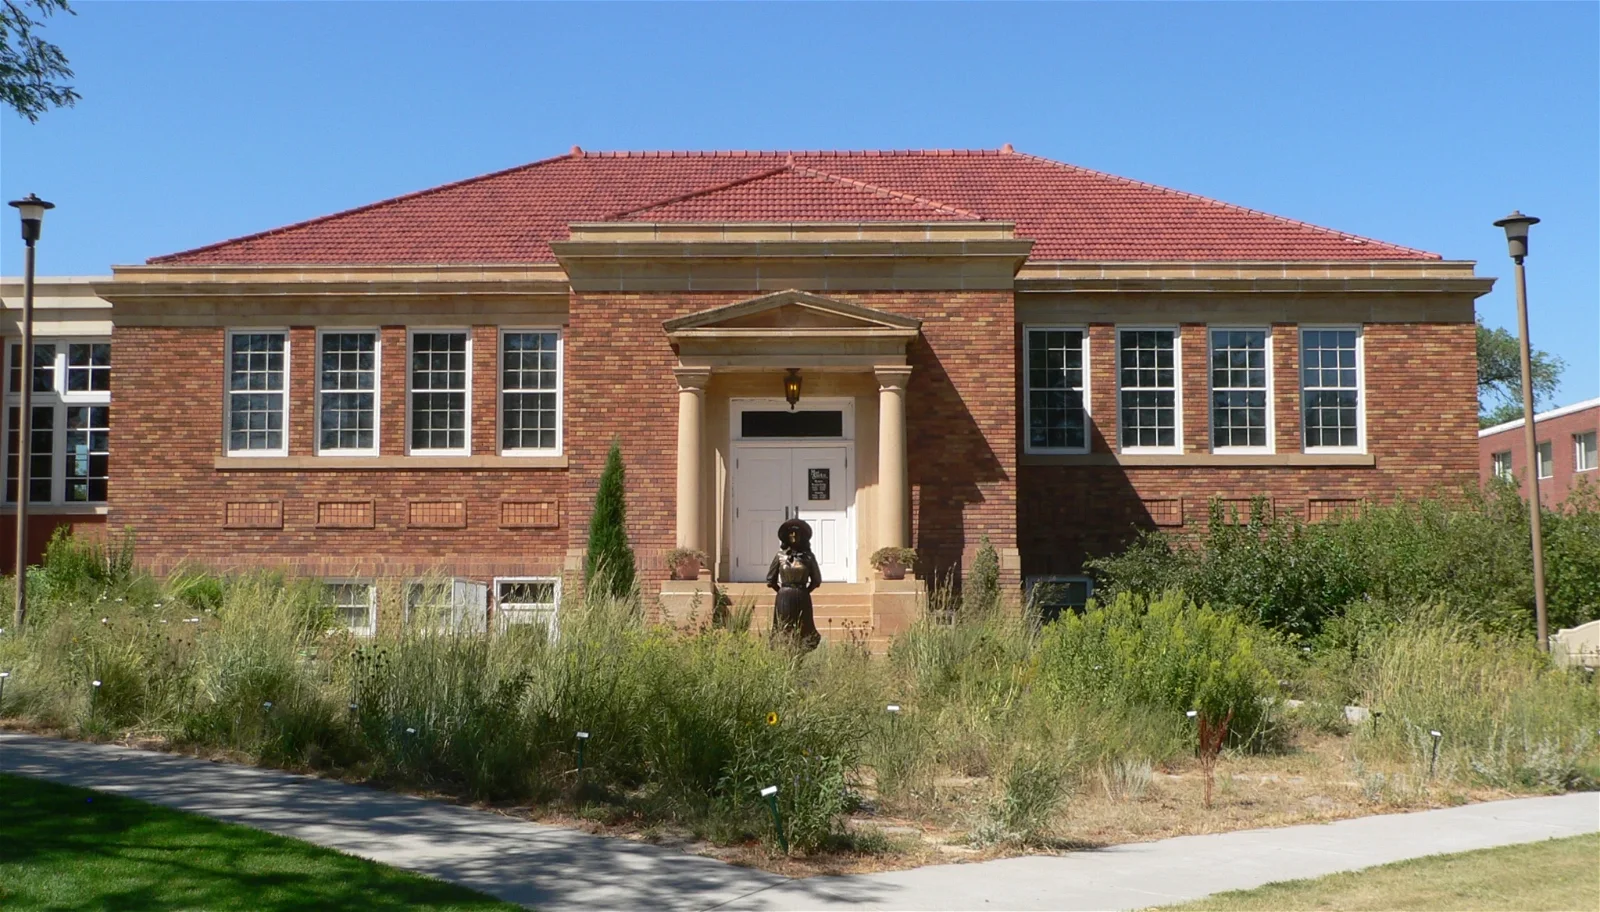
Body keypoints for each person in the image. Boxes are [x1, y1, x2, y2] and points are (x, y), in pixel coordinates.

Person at [767, 518, 822, 650]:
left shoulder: (808, 557)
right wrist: (783, 591)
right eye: (790, 533)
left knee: (804, 626)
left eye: (796, 534)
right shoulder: (780, 556)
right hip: (784, 597)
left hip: (802, 595)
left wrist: (804, 591)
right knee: (784, 626)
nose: (793, 536)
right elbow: (771, 579)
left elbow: (816, 580)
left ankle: (802, 651)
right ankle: (783, 650)